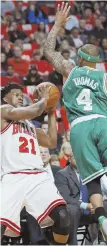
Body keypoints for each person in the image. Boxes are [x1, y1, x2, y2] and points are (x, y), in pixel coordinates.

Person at [43, 2, 107, 241]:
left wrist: (58, 25)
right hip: (102, 122)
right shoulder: (103, 77)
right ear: (97, 61)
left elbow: (48, 51)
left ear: (80, 58)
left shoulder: (70, 69)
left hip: (79, 128)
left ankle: (101, 218)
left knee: (91, 178)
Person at [0, 82, 70, 245]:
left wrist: (51, 112)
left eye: (21, 94)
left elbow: (52, 142)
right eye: (16, 94)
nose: (20, 96)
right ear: (4, 98)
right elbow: (35, 110)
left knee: (62, 217)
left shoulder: (31, 127)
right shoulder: (3, 111)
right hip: (12, 177)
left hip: (37, 177)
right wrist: (45, 99)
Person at [55, 152, 97, 245]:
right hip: (75, 211)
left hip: (90, 210)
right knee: (72, 209)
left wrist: (96, 204)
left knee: (104, 205)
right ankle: (72, 243)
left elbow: (96, 191)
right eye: (75, 157)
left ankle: (102, 240)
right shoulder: (62, 174)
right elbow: (65, 198)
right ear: (69, 159)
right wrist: (85, 205)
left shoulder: (90, 172)